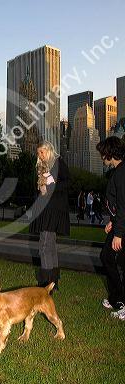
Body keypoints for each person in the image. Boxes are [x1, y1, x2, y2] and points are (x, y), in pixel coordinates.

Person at [29, 141, 70, 289]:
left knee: (45, 246)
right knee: (50, 246)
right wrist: (41, 186)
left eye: (42, 152)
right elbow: (41, 190)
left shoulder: (58, 162)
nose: (40, 155)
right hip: (44, 208)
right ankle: (53, 282)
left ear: (49, 150)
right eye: (38, 153)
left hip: (54, 209)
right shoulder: (41, 167)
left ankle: (46, 285)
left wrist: (51, 186)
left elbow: (67, 183)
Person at [96, 136, 125, 321]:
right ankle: (115, 298)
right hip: (118, 224)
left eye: (102, 154)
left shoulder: (122, 173)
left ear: (109, 153)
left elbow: (123, 205)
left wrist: (119, 234)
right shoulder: (118, 172)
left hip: (122, 229)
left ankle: (122, 303)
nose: (101, 158)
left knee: (120, 263)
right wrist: (112, 222)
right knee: (106, 257)